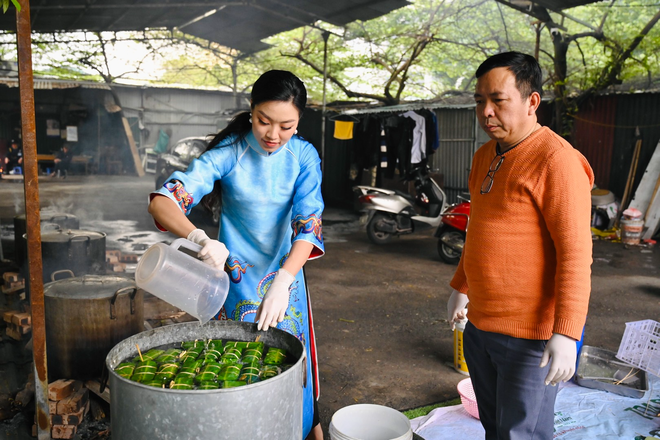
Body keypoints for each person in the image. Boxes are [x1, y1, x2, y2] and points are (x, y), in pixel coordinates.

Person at [148, 70, 325, 440]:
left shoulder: (304, 156)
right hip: (234, 284)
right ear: (250, 111)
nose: (273, 135)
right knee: (238, 373)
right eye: (263, 121)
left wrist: (285, 278)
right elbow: (163, 203)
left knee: (294, 374)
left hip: (285, 285)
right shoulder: (229, 154)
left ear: (300, 121)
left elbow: (308, 226)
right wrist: (199, 237)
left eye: (286, 125)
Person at [446, 52, 594, 440]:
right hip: (480, 324)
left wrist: (566, 333)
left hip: (530, 336)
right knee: (494, 427)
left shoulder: (557, 161)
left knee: (522, 433)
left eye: (498, 100)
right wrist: (461, 287)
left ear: (532, 102)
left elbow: (575, 255)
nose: (487, 112)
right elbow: (479, 229)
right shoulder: (484, 156)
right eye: (480, 101)